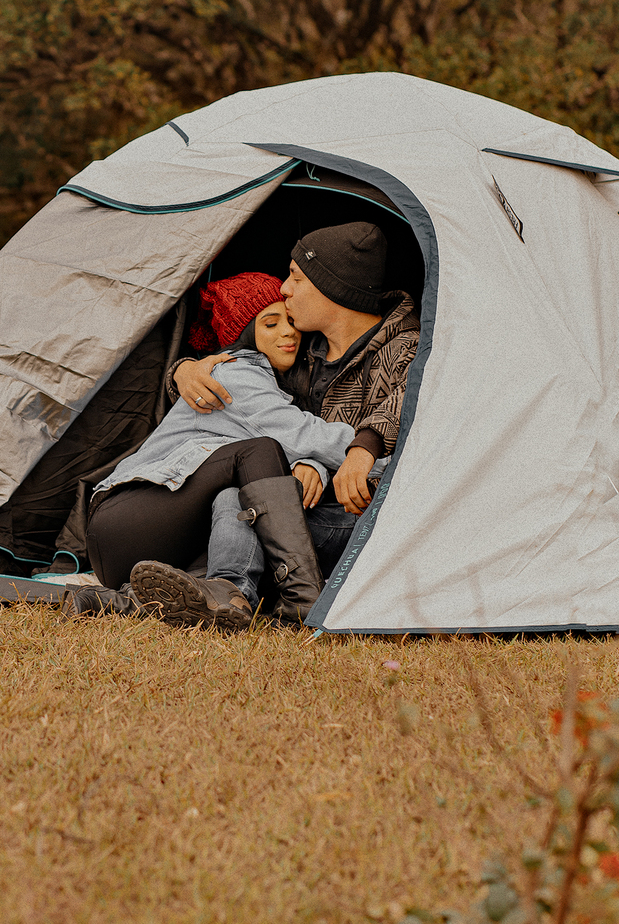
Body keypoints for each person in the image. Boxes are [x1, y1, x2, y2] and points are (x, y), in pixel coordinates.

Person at [81, 272, 357, 632]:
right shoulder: (233, 376)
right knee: (258, 452)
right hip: (122, 522)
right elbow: (303, 436)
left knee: (236, 498)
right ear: (245, 334)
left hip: (160, 540)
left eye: (290, 321)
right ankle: (303, 598)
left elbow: (286, 456)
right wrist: (385, 456)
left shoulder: (275, 382)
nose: (288, 332)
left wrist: (311, 465)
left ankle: (219, 595)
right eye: (270, 324)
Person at [171, 221, 420, 600]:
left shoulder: (408, 347)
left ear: (332, 287)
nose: (284, 289)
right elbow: (250, 390)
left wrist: (364, 446)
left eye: (296, 278)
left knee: (240, 509)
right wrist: (184, 370)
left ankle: (224, 591)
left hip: (370, 519)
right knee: (239, 500)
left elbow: (408, 401)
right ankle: (225, 592)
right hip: (301, 506)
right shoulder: (301, 350)